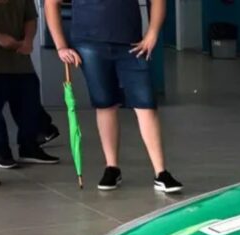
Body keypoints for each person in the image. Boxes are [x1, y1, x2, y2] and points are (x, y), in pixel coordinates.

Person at [43, 0, 182, 193]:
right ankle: (112, 167)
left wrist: (152, 33)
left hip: (131, 43)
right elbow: (51, 3)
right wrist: (61, 46)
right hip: (89, 42)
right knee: (105, 104)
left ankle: (161, 172)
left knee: (146, 104)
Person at [0, 0, 59, 169]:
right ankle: (0, 152)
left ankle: (29, 148)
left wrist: (28, 40)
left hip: (21, 60)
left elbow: (30, 19)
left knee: (29, 106)